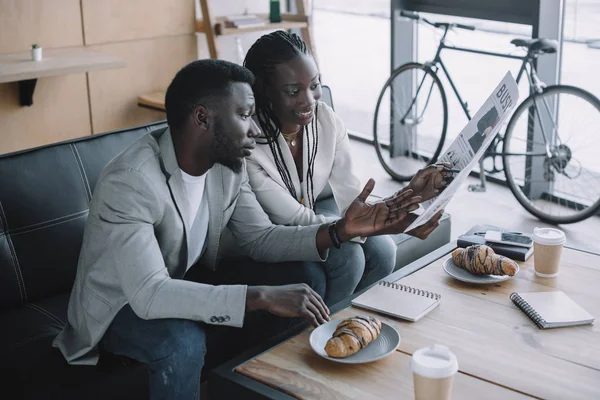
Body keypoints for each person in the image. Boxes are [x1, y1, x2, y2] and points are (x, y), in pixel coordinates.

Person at [52, 59, 442, 399]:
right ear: (203, 118)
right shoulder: (131, 181)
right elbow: (150, 294)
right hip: (119, 305)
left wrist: (339, 231)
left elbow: (260, 238)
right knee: (182, 342)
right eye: (244, 114)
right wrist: (258, 296)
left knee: (305, 275)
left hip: (177, 277)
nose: (256, 129)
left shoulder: (225, 167)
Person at [243, 31, 451, 305]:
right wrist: (391, 225)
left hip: (312, 220)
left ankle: (354, 324)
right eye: (293, 92)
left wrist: (409, 195)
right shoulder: (247, 144)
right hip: (270, 235)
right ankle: (322, 336)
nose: (309, 100)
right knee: (349, 258)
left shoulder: (325, 121)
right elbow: (298, 220)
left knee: (384, 252)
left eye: (314, 85)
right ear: (263, 93)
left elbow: (352, 200)